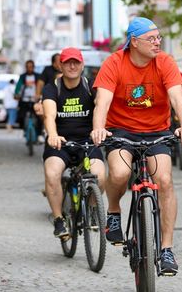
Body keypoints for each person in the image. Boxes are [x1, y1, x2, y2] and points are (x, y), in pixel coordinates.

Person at [90, 17, 182, 276]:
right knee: (120, 173)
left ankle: (167, 249)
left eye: (159, 37)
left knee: (165, 179)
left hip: (157, 131)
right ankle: (113, 211)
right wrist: (99, 128)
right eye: (152, 38)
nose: (158, 42)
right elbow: (102, 102)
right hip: (121, 131)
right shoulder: (114, 62)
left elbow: (177, 98)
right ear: (134, 42)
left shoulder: (165, 62)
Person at [41, 47, 105, 238]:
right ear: (60, 65)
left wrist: (99, 130)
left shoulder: (90, 86)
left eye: (76, 62)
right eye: (68, 62)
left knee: (100, 176)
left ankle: (93, 209)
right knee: (52, 173)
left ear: (82, 64)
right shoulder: (52, 88)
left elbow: (101, 108)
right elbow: (49, 115)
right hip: (60, 143)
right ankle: (59, 219)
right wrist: (52, 135)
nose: (72, 65)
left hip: (87, 142)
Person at [15, 60, 40, 132]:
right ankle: (24, 129)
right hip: (24, 99)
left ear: (33, 67)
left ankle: (38, 133)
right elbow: (18, 87)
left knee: (39, 117)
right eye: (28, 67)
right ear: (26, 68)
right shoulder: (22, 77)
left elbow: (41, 86)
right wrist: (17, 94)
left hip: (35, 100)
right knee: (21, 116)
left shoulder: (38, 76)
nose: (29, 68)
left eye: (31, 67)